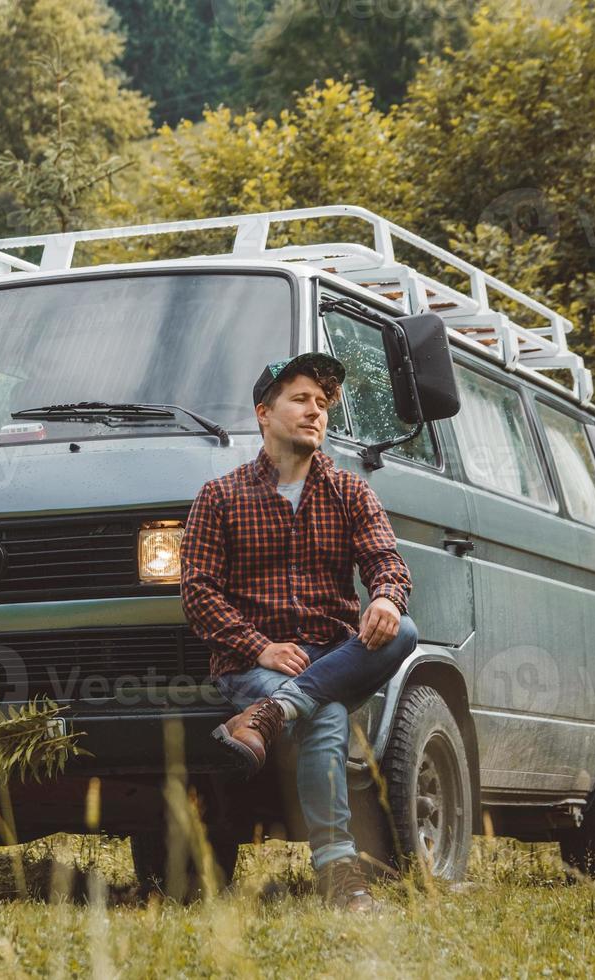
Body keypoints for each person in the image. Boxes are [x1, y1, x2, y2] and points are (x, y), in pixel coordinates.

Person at [180, 352, 419, 912]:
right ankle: (339, 874)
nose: (316, 412)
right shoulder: (220, 497)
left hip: (333, 654)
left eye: (323, 403)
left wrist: (384, 596)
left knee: (403, 631)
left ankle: (275, 714)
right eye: (301, 400)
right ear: (264, 414)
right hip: (253, 668)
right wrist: (260, 647)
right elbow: (198, 595)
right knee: (328, 712)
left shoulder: (350, 492)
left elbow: (387, 559)